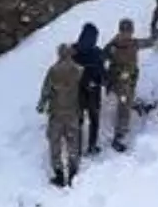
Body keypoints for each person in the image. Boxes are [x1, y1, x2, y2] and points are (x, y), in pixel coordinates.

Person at [103, 18, 157, 152]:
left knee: (127, 100)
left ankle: (136, 105)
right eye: (124, 31)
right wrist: (108, 79)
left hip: (130, 80)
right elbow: (100, 60)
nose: (127, 34)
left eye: (129, 31)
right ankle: (119, 136)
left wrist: (155, 35)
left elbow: (148, 42)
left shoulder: (134, 43)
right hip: (118, 82)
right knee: (124, 107)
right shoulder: (112, 46)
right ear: (120, 31)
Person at [36, 43, 84, 187]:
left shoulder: (53, 71)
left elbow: (46, 90)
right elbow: (84, 90)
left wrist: (41, 105)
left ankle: (59, 174)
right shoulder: (78, 70)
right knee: (73, 143)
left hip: (56, 114)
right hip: (72, 113)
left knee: (55, 143)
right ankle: (73, 172)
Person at [73, 22, 106, 155]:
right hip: (90, 91)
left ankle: (78, 148)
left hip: (80, 91)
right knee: (93, 119)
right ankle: (91, 146)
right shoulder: (96, 51)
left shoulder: (73, 50)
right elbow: (102, 72)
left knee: (79, 121)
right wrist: (104, 80)